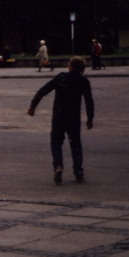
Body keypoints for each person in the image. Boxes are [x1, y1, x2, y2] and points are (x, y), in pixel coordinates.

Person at [27, 56, 95, 184]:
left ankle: (58, 166)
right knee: (75, 144)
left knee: (56, 142)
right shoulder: (83, 81)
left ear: (69, 67)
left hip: (58, 116)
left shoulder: (61, 77)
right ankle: (78, 173)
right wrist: (90, 118)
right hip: (73, 117)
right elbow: (89, 101)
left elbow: (43, 90)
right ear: (83, 70)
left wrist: (32, 106)